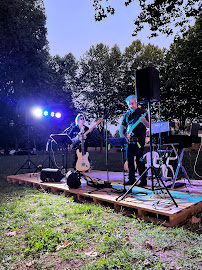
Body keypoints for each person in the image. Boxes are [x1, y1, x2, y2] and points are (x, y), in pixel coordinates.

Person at [119, 95, 149, 187]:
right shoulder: (127, 114)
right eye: (129, 104)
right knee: (130, 160)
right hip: (129, 141)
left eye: (132, 103)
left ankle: (143, 180)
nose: (131, 106)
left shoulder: (143, 112)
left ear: (136, 102)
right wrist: (122, 135)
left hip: (139, 140)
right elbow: (122, 126)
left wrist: (143, 120)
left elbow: (148, 125)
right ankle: (131, 179)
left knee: (140, 159)